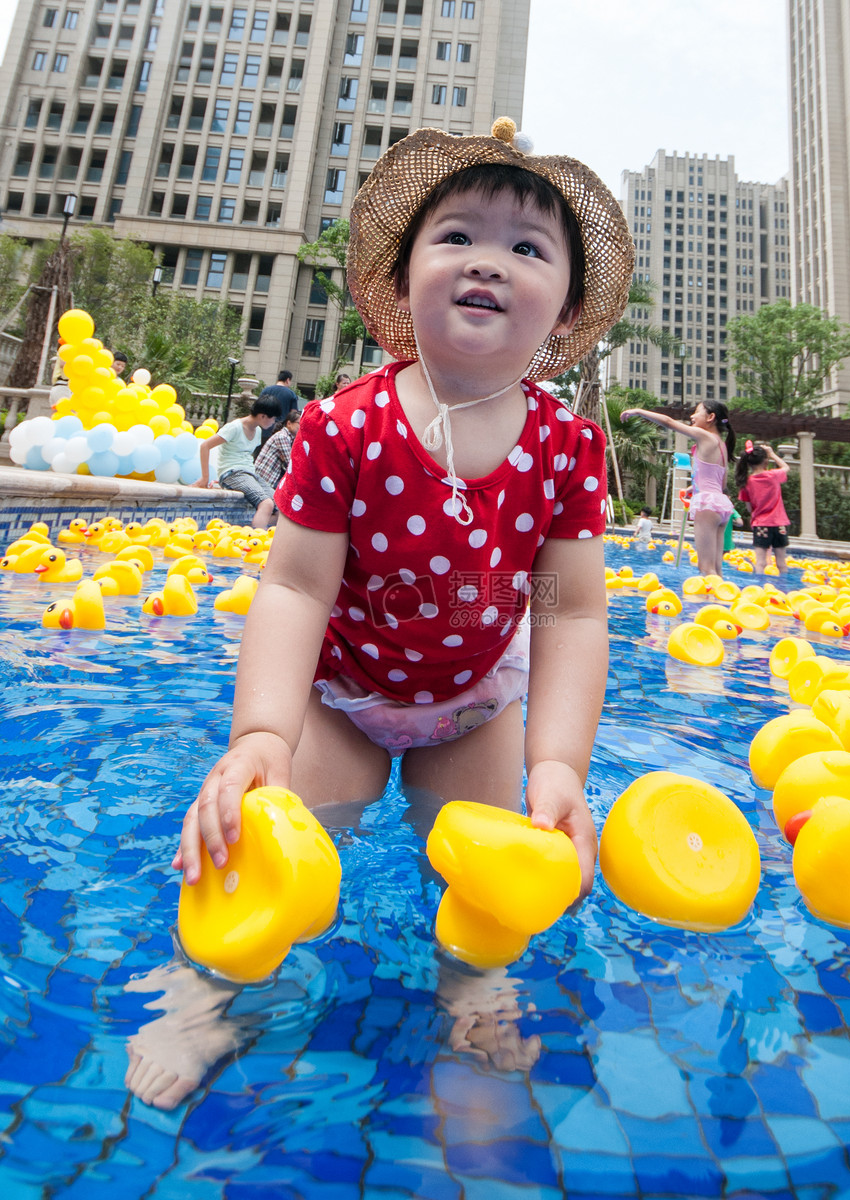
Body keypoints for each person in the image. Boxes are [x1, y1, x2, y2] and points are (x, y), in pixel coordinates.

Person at [125, 120, 635, 1108]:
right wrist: (263, 735)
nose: (488, 261)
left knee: (491, 865)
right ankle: (210, 991)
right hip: (344, 696)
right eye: (456, 237)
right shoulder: (348, 424)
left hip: (472, 705)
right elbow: (295, 586)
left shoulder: (567, 448)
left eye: (526, 248)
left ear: (564, 311)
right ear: (403, 285)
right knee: (271, 833)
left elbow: (572, 613)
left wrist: (560, 765)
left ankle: (473, 983)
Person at [619, 400, 735, 576]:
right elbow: (721, 483)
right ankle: (723, 600)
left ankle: (707, 603)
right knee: (717, 569)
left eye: (697, 412)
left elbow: (669, 422)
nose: (692, 416)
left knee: (705, 568)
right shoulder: (722, 446)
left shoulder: (705, 436)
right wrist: (693, 487)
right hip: (722, 506)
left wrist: (639, 411)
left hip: (707, 506)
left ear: (711, 417)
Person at [192, 398, 280, 528]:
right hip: (232, 473)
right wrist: (204, 478)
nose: (274, 422)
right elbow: (205, 445)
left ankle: (258, 530)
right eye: (273, 418)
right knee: (266, 503)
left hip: (249, 473)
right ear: (262, 416)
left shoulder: (258, 430)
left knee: (281, 505)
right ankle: (255, 540)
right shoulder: (235, 427)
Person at [735, 440, 791, 574]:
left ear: (748, 463)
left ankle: (761, 589)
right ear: (766, 461)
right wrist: (772, 454)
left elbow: (749, 509)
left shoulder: (746, 482)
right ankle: (783, 591)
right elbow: (786, 467)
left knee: (760, 563)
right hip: (779, 524)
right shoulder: (773, 475)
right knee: (781, 563)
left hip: (761, 525)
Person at [254, 408, 300, 490]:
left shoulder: (290, 438)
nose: (301, 427)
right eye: (299, 424)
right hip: (267, 478)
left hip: (274, 477)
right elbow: (291, 463)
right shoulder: (283, 436)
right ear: (289, 423)